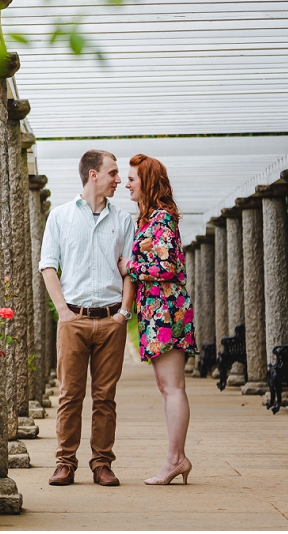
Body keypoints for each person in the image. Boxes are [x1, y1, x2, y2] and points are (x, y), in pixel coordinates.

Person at [39, 150, 137, 487]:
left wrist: (124, 313)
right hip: (74, 319)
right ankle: (65, 462)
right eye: (113, 173)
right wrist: (63, 313)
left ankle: (102, 464)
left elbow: (130, 271)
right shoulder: (61, 216)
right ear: (93, 175)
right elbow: (48, 265)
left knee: (105, 396)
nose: (119, 180)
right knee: (70, 395)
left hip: (111, 320)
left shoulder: (124, 221)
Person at [118, 153, 197, 485]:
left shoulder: (161, 219)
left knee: (173, 387)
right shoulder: (150, 219)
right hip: (158, 312)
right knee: (168, 387)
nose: (126, 184)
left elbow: (168, 268)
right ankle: (176, 458)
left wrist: (130, 267)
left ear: (147, 182)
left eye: (132, 179)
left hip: (166, 312)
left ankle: (176, 459)